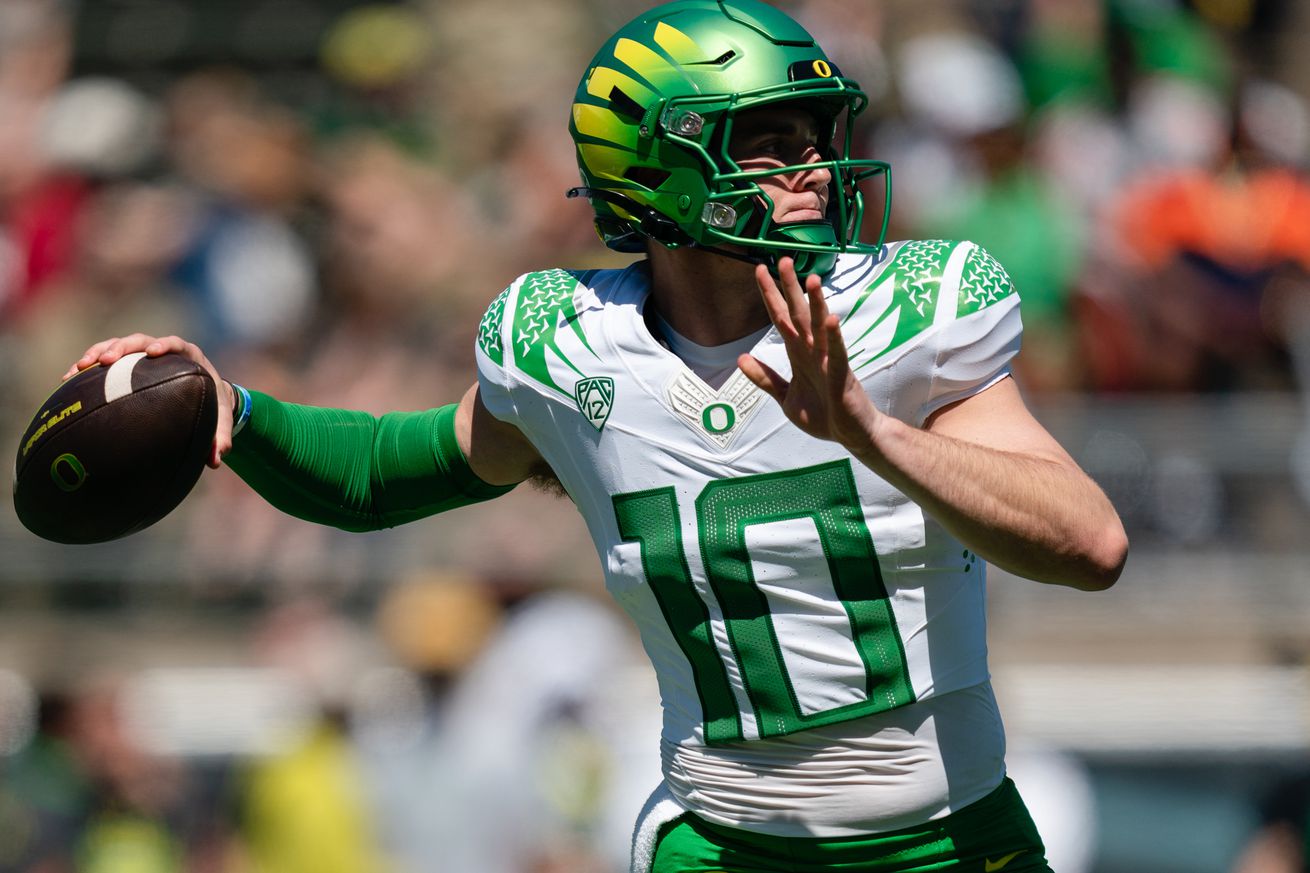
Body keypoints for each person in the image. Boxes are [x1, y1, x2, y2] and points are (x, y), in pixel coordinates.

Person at [65, 1, 1128, 870]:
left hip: (948, 843)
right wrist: (231, 411)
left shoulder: (913, 308)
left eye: (812, 134)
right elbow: (385, 474)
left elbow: (1089, 545)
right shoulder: (566, 349)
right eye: (765, 141)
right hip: (721, 850)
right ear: (657, 168)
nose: (810, 166)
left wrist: (869, 433)